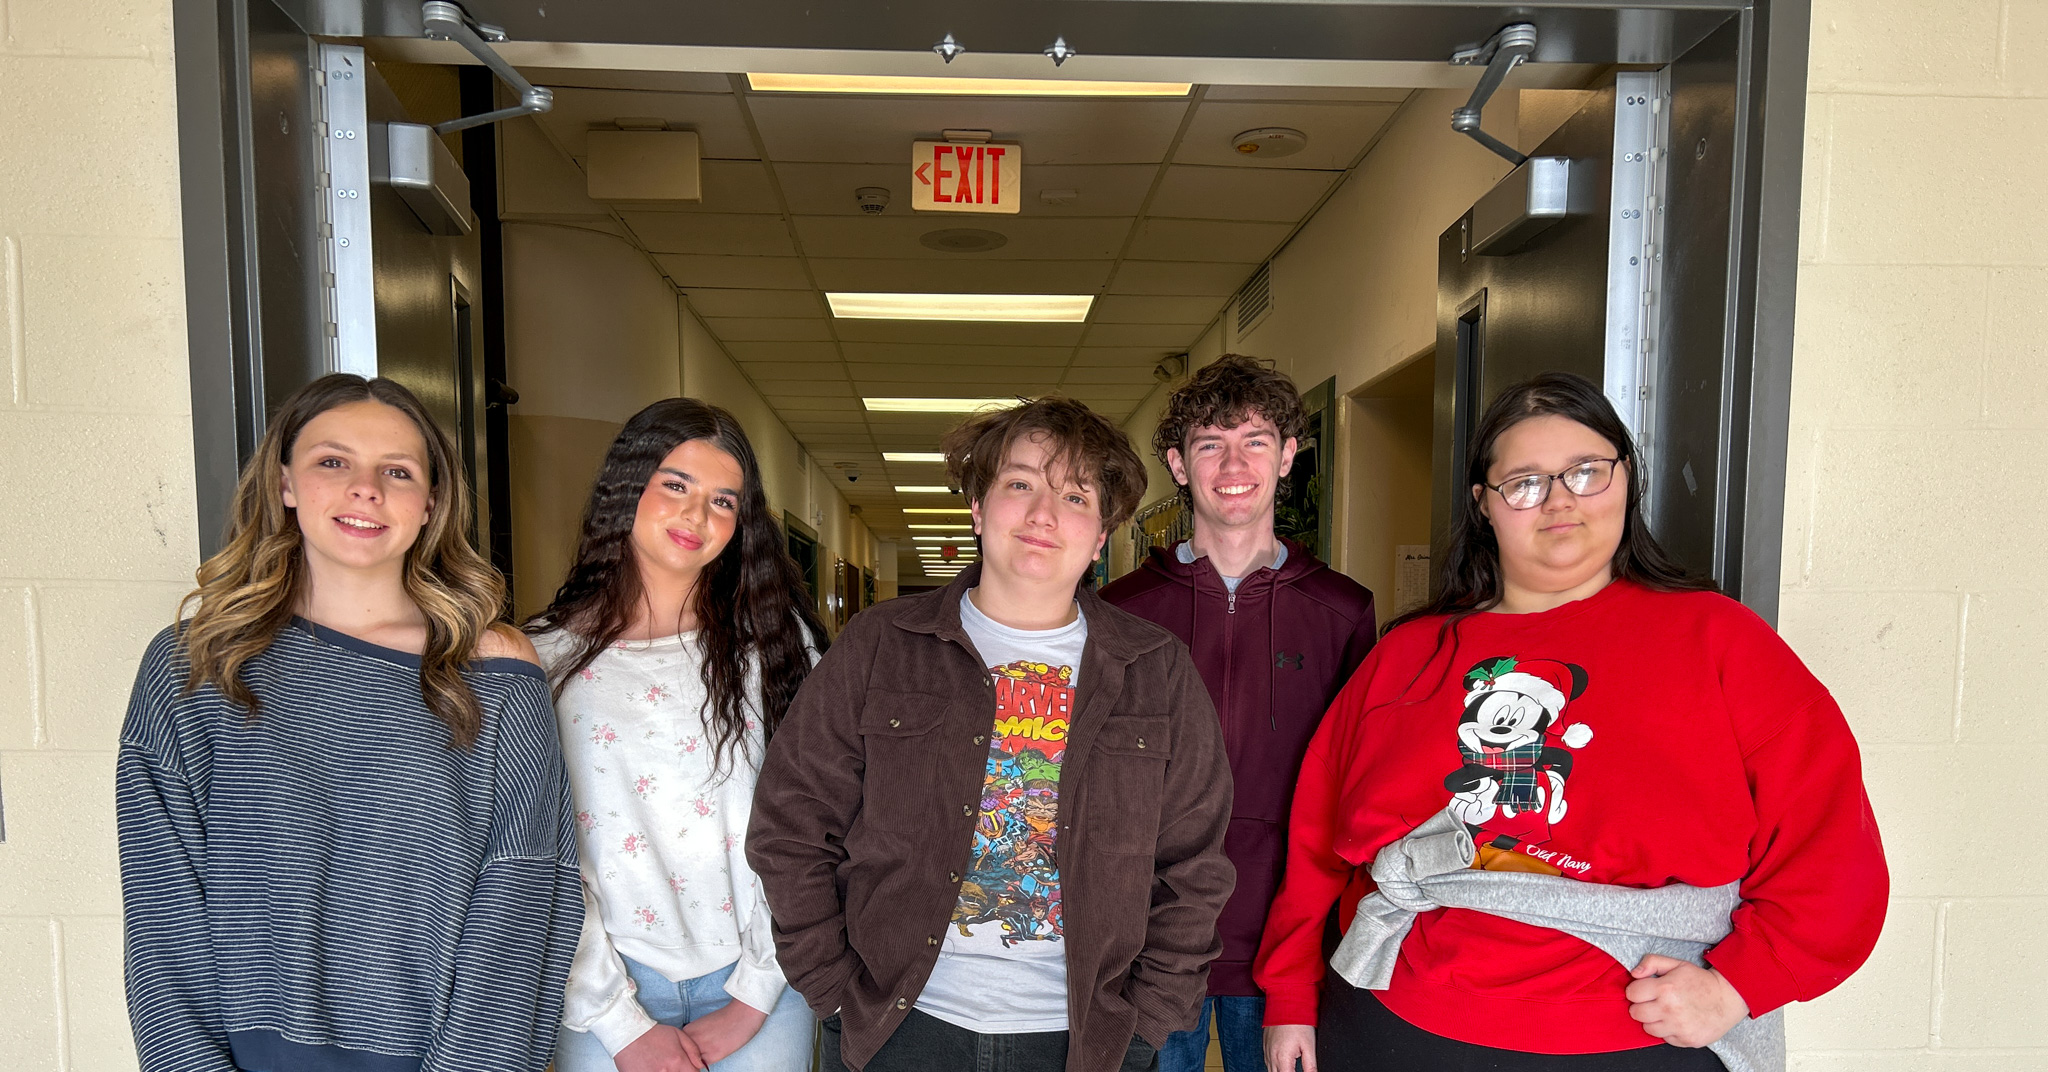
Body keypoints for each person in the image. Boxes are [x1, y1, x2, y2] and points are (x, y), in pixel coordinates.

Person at [1255, 371, 1888, 1072]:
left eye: (1587, 472)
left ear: (1626, 479)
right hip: (1398, 1017)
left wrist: (1741, 985)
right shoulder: (1410, 656)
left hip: (1631, 1032)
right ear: (1483, 504)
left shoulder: (1719, 641)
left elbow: (1832, 847)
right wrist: (1288, 995)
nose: (1559, 501)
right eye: (1524, 481)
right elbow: (1316, 838)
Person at [748, 396, 1237, 1072]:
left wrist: (1149, 1023)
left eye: (1073, 494)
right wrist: (831, 989)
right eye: (1019, 484)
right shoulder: (880, 646)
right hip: (899, 1026)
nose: (1042, 514)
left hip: (1085, 1040)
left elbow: (1195, 865)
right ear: (978, 509)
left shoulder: (1156, 671)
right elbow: (790, 822)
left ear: (1101, 534)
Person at [117, 373, 580, 1072]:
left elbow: (523, 899)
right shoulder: (195, 664)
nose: (366, 488)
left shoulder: (494, 671)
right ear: (285, 484)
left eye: (397, 471)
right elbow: (162, 910)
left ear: (430, 504)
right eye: (333, 462)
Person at [530, 398, 828, 1072]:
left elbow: (815, 822)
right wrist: (617, 1019)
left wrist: (755, 992)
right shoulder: (541, 659)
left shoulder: (776, 648)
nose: (697, 516)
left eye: (724, 501)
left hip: (760, 973)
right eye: (676, 486)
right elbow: (536, 850)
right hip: (604, 983)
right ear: (626, 486)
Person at [1100, 355, 1375, 1072]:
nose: (1234, 463)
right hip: (1153, 940)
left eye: (1255, 440)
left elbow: (1358, 786)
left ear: (1288, 456)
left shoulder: (1344, 610)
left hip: (1289, 941)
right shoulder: (1120, 612)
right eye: (1209, 443)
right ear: (1178, 464)